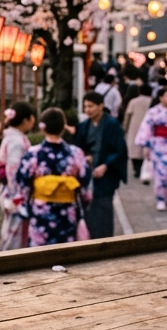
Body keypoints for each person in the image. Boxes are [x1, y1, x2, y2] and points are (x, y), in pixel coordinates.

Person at [15, 108, 91, 247]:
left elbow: (22, 182)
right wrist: (84, 201)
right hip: (67, 212)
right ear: (63, 127)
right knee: (66, 250)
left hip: (40, 211)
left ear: (42, 128)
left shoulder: (33, 153)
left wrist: (25, 204)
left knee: (39, 251)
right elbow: (85, 183)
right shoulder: (76, 153)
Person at [73, 91, 127, 239]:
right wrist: (85, 157)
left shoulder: (112, 125)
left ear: (101, 106)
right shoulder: (84, 126)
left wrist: (106, 165)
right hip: (88, 174)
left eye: (91, 106)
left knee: (104, 209)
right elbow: (78, 149)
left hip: (106, 176)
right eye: (85, 107)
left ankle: (105, 240)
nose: (87, 110)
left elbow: (119, 150)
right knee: (88, 210)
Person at [0, 102, 36, 251]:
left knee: (11, 231)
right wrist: (18, 197)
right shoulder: (17, 142)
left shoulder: (11, 137)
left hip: (10, 191)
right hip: (16, 194)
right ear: (26, 120)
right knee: (15, 234)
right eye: (32, 118)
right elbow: (13, 171)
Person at [123, 83, 153, 182]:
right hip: (149, 128)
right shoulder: (152, 101)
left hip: (134, 127)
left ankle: (137, 169)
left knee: (134, 149)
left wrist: (125, 127)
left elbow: (127, 116)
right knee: (146, 149)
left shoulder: (133, 101)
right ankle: (145, 169)